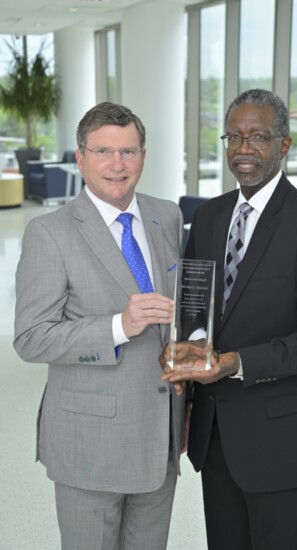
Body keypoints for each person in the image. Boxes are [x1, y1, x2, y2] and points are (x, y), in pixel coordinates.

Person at [161, 89, 297, 550]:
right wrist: (187, 391)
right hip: (218, 437)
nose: (243, 149)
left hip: (287, 440)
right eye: (234, 137)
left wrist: (238, 362)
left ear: (283, 145)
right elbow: (200, 319)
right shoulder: (208, 218)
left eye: (258, 137)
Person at [14, 101, 186, 550]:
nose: (117, 164)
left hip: (159, 436)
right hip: (88, 445)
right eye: (104, 151)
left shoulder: (165, 215)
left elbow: (179, 312)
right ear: (80, 158)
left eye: (129, 152)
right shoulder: (49, 232)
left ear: (144, 157)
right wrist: (117, 326)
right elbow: (31, 338)